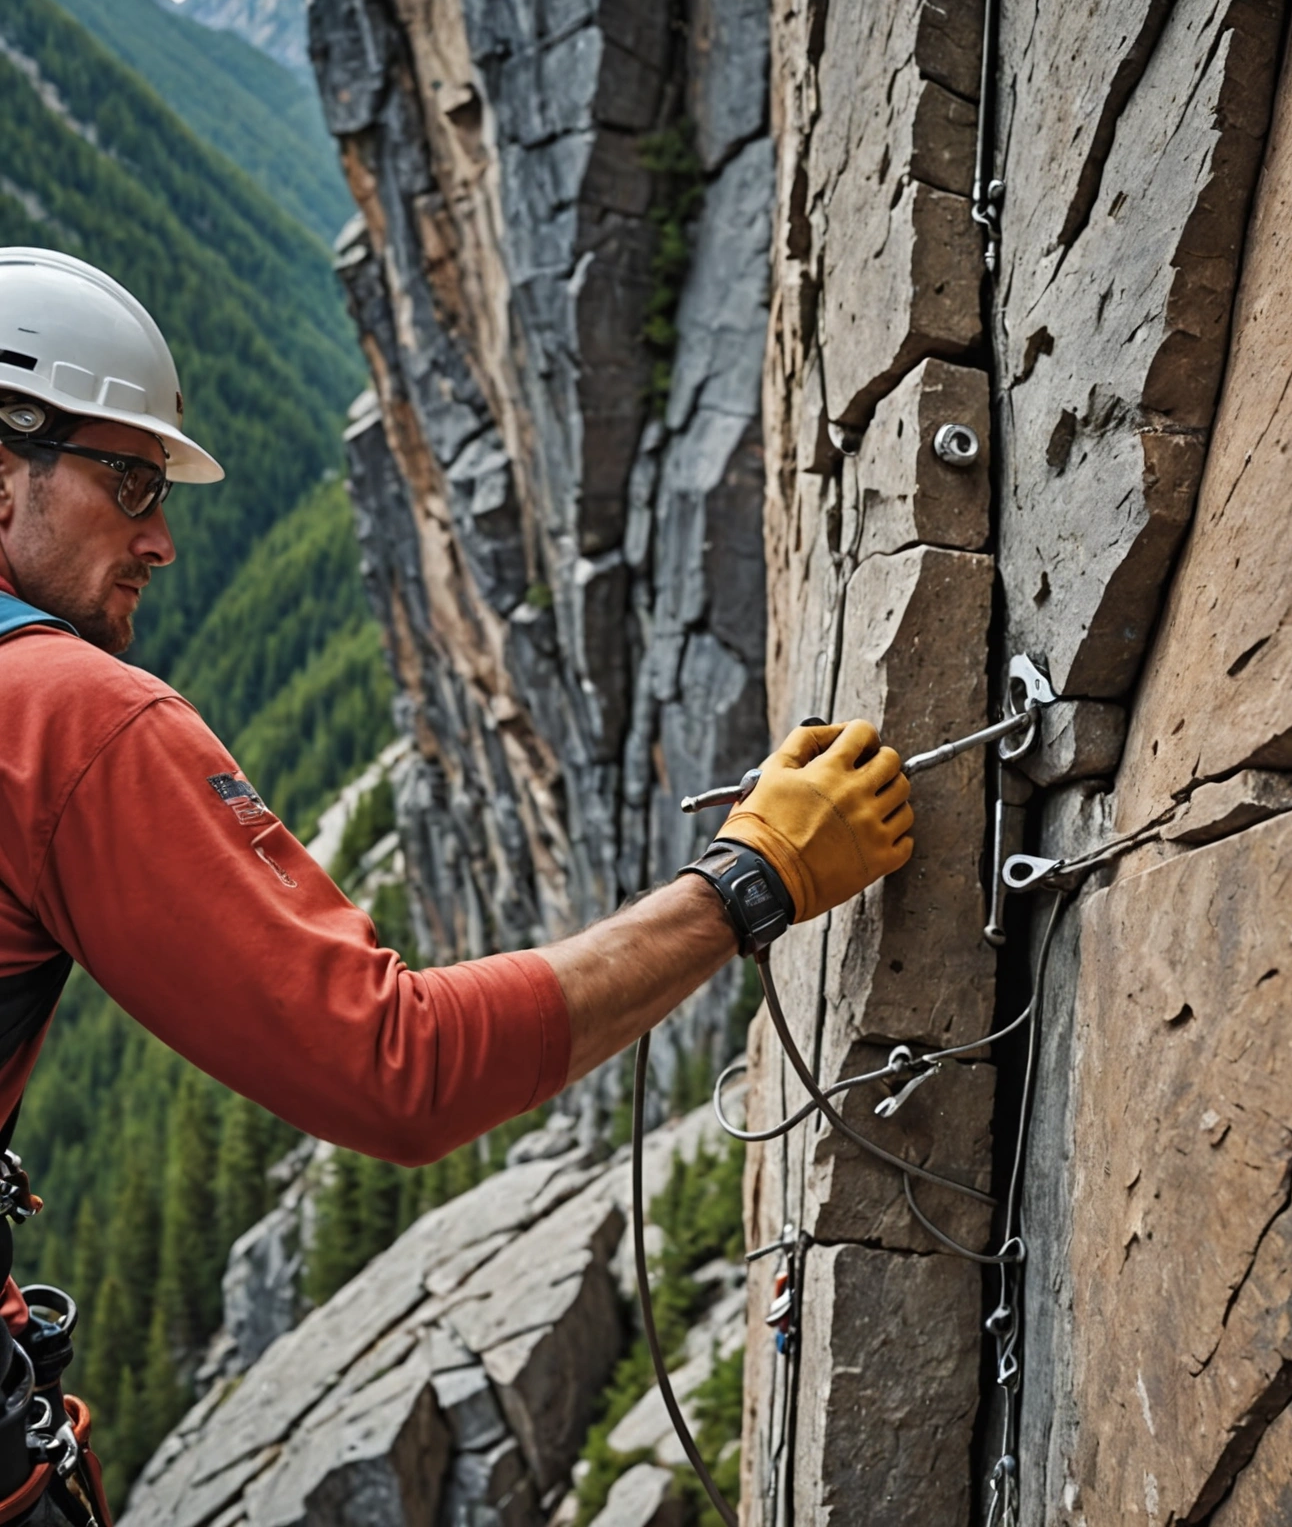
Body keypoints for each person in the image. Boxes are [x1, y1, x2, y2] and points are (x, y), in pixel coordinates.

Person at [0, 249, 915, 1521]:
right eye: (130, 476)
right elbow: (394, 1068)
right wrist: (749, 882)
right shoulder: (59, 715)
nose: (160, 534)